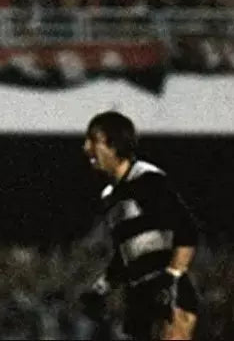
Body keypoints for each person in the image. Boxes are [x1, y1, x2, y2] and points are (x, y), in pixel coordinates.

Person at [79, 111, 201, 340]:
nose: (86, 147)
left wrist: (171, 279)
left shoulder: (147, 180)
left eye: (94, 140)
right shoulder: (110, 196)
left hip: (167, 295)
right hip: (139, 296)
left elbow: (187, 230)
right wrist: (102, 287)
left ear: (114, 145)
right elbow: (127, 253)